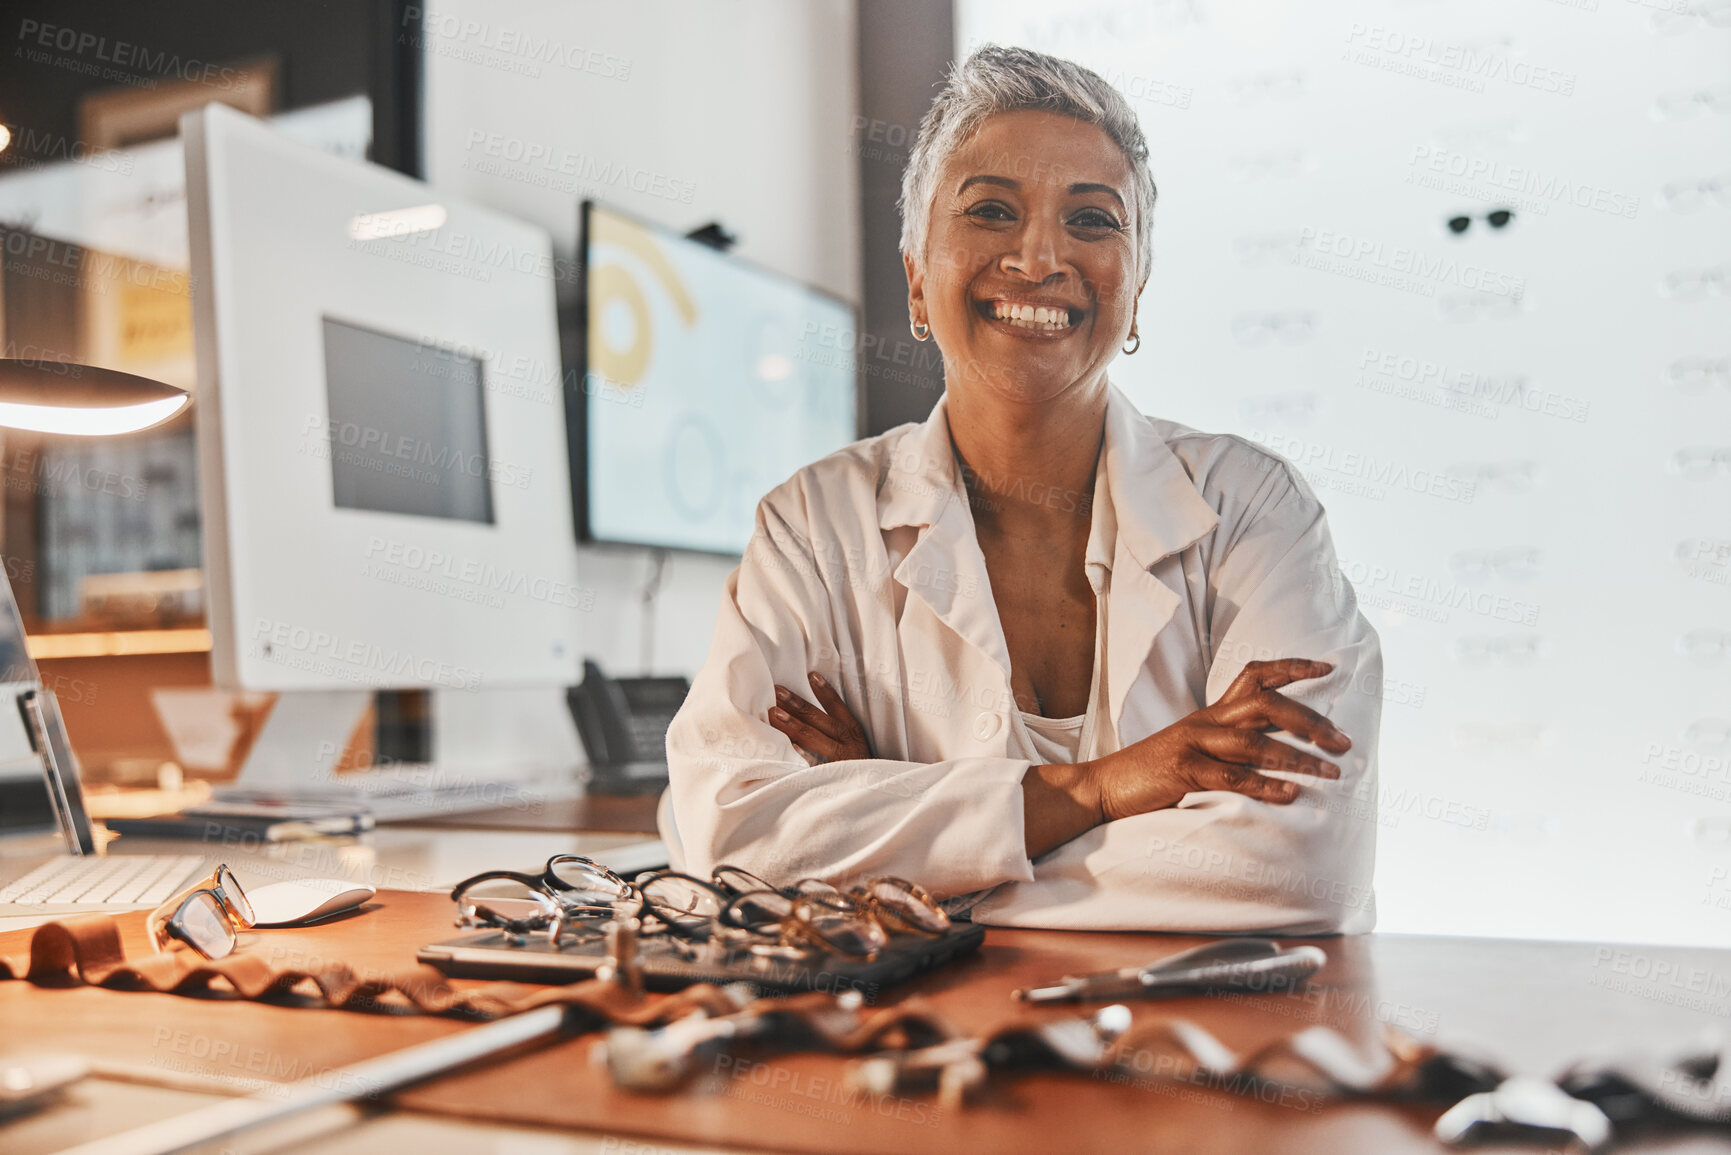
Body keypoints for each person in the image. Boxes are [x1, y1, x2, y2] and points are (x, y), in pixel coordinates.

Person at [659, 45, 1380, 933]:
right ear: (918, 277)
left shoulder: (1253, 511)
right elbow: (730, 842)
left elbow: (1294, 870)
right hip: (917, 1056)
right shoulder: (812, 527)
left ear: (1137, 289)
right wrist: (1098, 787)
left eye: (1092, 221)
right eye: (991, 211)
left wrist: (905, 846)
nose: (1039, 257)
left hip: (1199, 1047)